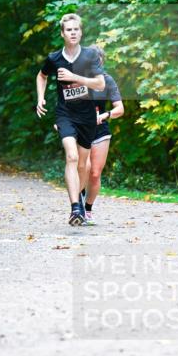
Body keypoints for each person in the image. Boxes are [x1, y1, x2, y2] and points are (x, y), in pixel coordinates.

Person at [36, 13, 106, 225]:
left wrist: (76, 77)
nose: (73, 33)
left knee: (83, 165)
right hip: (65, 114)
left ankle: (81, 202)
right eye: (69, 30)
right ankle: (75, 208)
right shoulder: (54, 58)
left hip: (87, 116)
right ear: (62, 33)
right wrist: (40, 98)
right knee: (72, 157)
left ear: (81, 32)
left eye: (76, 29)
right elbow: (42, 75)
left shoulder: (90, 57)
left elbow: (100, 84)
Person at [80, 46, 124, 225]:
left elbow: (120, 108)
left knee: (95, 173)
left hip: (100, 130)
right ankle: (78, 206)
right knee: (85, 168)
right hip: (80, 129)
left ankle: (88, 209)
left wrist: (106, 115)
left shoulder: (107, 81)